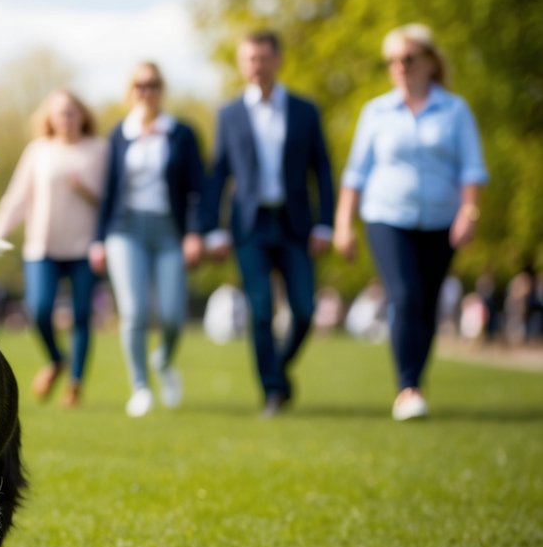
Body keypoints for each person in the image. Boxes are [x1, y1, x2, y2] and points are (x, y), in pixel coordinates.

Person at [334, 24, 487, 420]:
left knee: (427, 303)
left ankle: (415, 379)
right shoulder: (376, 112)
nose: (399, 67)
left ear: (429, 62)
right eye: (391, 61)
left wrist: (468, 211)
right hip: (387, 216)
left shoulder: (455, 111)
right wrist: (343, 224)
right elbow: (355, 175)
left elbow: (471, 169)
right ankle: (408, 388)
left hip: (440, 220)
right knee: (404, 295)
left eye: (407, 58)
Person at [201, 30, 335, 417]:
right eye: (249, 60)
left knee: (305, 309)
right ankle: (273, 391)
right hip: (249, 227)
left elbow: (322, 169)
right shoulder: (229, 114)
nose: (256, 66)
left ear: (277, 60)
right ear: (242, 65)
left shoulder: (305, 110)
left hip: (295, 223)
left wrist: (326, 223)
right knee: (260, 310)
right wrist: (213, 228)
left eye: (263, 58)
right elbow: (218, 175)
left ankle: (277, 366)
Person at [89, 62, 206, 417]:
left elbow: (200, 189)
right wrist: (98, 240)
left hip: (170, 230)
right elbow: (108, 192)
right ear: (131, 91)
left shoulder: (182, 134)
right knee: (135, 311)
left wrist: (196, 233)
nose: (146, 91)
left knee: (171, 315)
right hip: (125, 230)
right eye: (140, 85)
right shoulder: (118, 135)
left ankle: (164, 361)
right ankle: (140, 387)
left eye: (153, 84)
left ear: (162, 89)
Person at [0, 89, 108, 407]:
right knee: (39, 310)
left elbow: (110, 200)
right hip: (43, 246)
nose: (66, 118)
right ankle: (56, 359)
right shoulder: (38, 150)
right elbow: (18, 198)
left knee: (81, 315)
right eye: (60, 112)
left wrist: (85, 188)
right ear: (49, 118)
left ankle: (75, 384)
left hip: (84, 247)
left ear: (82, 114)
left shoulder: (99, 149)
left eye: (72, 111)